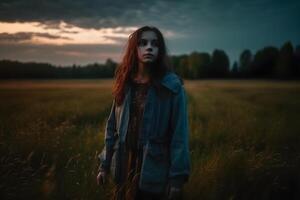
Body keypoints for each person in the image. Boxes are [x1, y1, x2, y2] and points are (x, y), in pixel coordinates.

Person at [96, 26, 190, 200]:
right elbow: (112, 129)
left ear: (160, 50)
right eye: (143, 43)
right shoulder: (125, 84)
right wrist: (104, 166)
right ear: (134, 48)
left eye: (154, 44)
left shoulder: (172, 86)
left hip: (154, 169)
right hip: (123, 168)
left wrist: (176, 180)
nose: (149, 47)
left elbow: (180, 135)